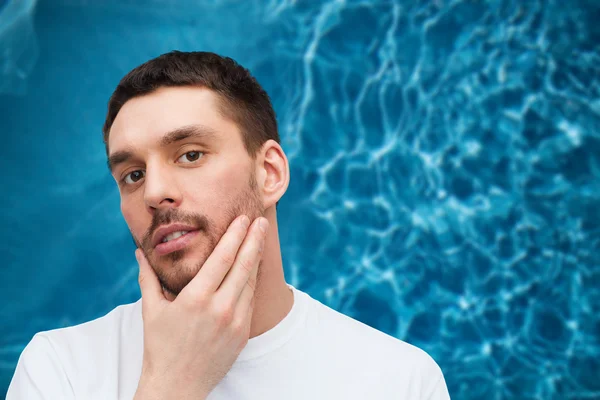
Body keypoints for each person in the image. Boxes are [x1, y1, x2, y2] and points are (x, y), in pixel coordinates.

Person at [7, 51, 450, 399]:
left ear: (270, 173)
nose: (153, 192)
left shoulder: (398, 379)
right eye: (132, 175)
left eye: (190, 154)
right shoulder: (58, 369)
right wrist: (171, 386)